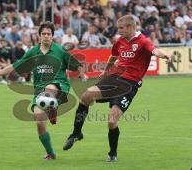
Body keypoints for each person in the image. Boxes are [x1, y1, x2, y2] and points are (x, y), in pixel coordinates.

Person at [62, 15, 172, 162]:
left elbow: (154, 50)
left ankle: (112, 153)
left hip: (129, 84)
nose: (118, 31)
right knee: (86, 96)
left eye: (121, 28)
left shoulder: (143, 41)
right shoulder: (119, 41)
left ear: (131, 27)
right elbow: (113, 56)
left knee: (112, 121)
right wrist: (106, 70)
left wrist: (164, 55)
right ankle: (76, 133)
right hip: (113, 77)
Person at [0, 21, 86, 160]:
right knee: (39, 121)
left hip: (59, 85)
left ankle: (51, 107)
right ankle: (50, 152)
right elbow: (15, 66)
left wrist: (82, 74)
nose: (46, 36)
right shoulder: (32, 52)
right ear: (39, 36)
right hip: (39, 90)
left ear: (53, 36)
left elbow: (77, 65)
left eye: (49, 34)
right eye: (43, 34)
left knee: (49, 89)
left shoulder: (60, 51)